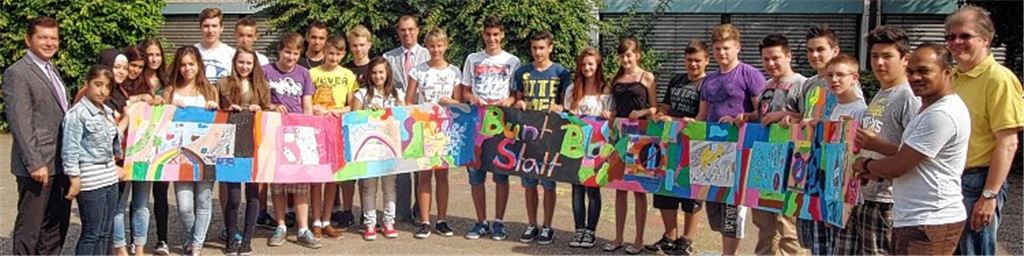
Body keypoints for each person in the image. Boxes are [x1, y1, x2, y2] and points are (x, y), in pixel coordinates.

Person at [853, 43, 970, 255]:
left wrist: (865, 164)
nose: (915, 77)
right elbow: (914, 162)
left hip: (930, 220)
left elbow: (898, 166)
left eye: (924, 71)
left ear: (947, 72)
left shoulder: (941, 114)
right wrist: (874, 173)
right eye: (911, 72)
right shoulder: (928, 109)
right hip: (912, 218)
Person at [945, 5, 1024, 255]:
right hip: (950, 180)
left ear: (985, 39)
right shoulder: (952, 77)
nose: (956, 42)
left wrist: (989, 195)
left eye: (965, 36)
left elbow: (1008, 142)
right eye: (950, 37)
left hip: (977, 181)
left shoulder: (998, 79)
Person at [837, 25, 919, 256]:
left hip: (888, 200)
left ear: (905, 59)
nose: (880, 63)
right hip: (864, 193)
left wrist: (877, 145)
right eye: (875, 56)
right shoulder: (882, 94)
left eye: (887, 56)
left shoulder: (909, 96)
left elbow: (916, 155)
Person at [3, 16, 73, 255]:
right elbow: (20, 121)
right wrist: (35, 163)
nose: (49, 42)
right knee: (30, 228)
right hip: (38, 165)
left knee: (54, 225)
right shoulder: (19, 73)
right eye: (42, 37)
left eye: (53, 38)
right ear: (28, 39)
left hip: (59, 162)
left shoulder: (51, 70)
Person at [699, 24, 765, 256]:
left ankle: (729, 254)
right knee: (714, 208)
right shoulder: (708, 81)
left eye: (726, 48)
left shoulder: (750, 74)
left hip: (739, 152)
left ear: (737, 47)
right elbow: (702, 115)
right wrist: (686, 127)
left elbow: (763, 113)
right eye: (717, 49)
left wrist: (744, 118)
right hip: (711, 151)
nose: (722, 53)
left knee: (732, 207)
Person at [646, 39, 710, 255]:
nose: (693, 64)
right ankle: (669, 237)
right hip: (670, 142)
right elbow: (666, 106)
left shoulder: (708, 84)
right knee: (665, 190)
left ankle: (686, 240)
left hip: (695, 144)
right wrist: (661, 114)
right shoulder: (676, 80)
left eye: (697, 60)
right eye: (689, 60)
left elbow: (706, 115)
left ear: (706, 61)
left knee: (691, 194)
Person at [744, 34, 806, 256]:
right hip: (763, 161)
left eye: (775, 58)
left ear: (788, 56)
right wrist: (744, 117)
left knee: (787, 226)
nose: (770, 64)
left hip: (791, 165)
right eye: (766, 59)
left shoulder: (802, 84)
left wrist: (786, 115)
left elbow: (810, 119)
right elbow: (762, 116)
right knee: (763, 225)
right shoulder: (766, 86)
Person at [460, 15, 520, 241]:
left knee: (501, 175)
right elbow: (464, 91)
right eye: (488, 34)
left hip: (501, 124)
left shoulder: (512, 61)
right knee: (476, 174)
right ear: (483, 35)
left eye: (496, 34)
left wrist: (510, 101)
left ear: (502, 35)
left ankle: (499, 222)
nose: (492, 38)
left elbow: (516, 94)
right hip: (477, 122)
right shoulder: (472, 59)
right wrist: (471, 97)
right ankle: (480, 221)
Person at [510, 31, 571, 245]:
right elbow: (517, 99)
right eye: (534, 48)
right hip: (528, 135)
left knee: (548, 183)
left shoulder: (561, 72)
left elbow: (567, 102)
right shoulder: (523, 72)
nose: (538, 52)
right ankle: (531, 223)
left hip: (550, 136)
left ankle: (547, 225)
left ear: (550, 48)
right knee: (529, 183)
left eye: (542, 48)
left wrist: (561, 107)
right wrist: (518, 104)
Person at [263, 32, 321, 249]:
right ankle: (280, 225)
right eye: (287, 52)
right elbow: (259, 101)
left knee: (300, 184)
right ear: (280, 50)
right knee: (277, 183)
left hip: (298, 133)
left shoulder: (304, 74)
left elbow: (307, 105)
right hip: (274, 132)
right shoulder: (266, 71)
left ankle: (304, 228)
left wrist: (309, 133)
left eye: (296, 53)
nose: (291, 57)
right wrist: (271, 106)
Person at [161, 45, 220, 256]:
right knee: (184, 204)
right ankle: (192, 237)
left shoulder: (210, 90)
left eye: (191, 64)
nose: (187, 69)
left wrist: (214, 107)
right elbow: (159, 121)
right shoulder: (170, 90)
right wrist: (168, 106)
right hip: (178, 155)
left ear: (199, 66)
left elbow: (219, 124)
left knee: (204, 200)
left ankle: (196, 245)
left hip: (205, 153)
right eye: (183, 64)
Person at [603, 37, 657, 255]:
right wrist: (609, 113)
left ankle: (638, 239)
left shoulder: (647, 77)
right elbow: (608, 103)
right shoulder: (615, 79)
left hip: (641, 137)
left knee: (639, 190)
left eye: (629, 55)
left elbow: (655, 108)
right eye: (622, 55)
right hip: (619, 137)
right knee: (619, 190)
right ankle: (617, 237)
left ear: (637, 55)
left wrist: (642, 112)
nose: (626, 59)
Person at [218, 46, 273, 255]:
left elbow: (268, 113)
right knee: (233, 196)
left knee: (253, 194)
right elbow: (214, 111)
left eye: (249, 63)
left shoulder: (262, 86)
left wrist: (260, 109)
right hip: (230, 144)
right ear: (235, 62)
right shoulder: (223, 83)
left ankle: (247, 240)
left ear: (254, 65)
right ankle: (231, 237)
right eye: (241, 62)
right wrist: (226, 109)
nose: (244, 66)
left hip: (254, 143)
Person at [407, 28, 461, 239]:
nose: (435, 50)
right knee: (424, 176)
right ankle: (424, 220)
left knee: (442, 176)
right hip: (423, 128)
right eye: (431, 46)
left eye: (439, 46)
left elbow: (460, 103)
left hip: (446, 130)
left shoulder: (454, 72)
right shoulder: (418, 70)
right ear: (426, 46)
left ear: (446, 46)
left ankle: (442, 219)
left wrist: (450, 102)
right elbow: (409, 101)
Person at [62, 65, 121, 256]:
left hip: (110, 177)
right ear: (87, 84)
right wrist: (74, 179)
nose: (102, 90)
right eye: (98, 84)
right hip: (90, 179)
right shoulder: (77, 114)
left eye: (107, 86)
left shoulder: (107, 111)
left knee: (105, 231)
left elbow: (111, 143)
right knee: (92, 232)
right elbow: (70, 149)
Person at [353, 57, 407, 241]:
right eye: (374, 72)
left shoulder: (397, 94)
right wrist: (367, 114)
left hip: (390, 149)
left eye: (381, 72)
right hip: (369, 149)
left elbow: (405, 118)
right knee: (369, 187)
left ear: (387, 73)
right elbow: (353, 120)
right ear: (369, 74)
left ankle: (389, 222)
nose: (377, 76)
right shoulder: (361, 94)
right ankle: (369, 223)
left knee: (389, 187)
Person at [382, 14, 430, 224]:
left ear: (417, 30)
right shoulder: (388, 57)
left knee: (421, 166)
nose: (407, 33)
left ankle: (421, 211)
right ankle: (401, 212)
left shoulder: (430, 53)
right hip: (398, 118)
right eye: (403, 30)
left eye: (410, 29)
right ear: (398, 32)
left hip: (424, 117)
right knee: (401, 167)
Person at [563, 47, 612, 249]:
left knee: (593, 190)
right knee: (576, 190)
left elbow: (611, 118)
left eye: (590, 64)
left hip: (597, 148)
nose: (586, 68)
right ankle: (579, 230)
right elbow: (565, 118)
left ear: (597, 65)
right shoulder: (572, 89)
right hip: (576, 147)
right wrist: (570, 113)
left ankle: (591, 231)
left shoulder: (605, 89)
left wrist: (610, 115)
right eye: (583, 64)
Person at [309, 35, 356, 240]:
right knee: (316, 178)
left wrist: (334, 111)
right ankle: (316, 220)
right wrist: (315, 109)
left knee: (332, 177)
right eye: (330, 53)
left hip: (336, 129)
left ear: (343, 54)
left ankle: (327, 220)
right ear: (324, 52)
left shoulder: (348, 75)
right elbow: (306, 102)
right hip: (315, 130)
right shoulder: (312, 73)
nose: (333, 57)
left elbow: (352, 106)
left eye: (338, 54)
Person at [111, 46, 153, 256]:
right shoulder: (115, 87)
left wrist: (153, 100)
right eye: (132, 66)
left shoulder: (146, 85)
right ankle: (120, 247)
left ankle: (139, 247)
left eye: (139, 67)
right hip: (120, 154)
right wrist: (136, 99)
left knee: (142, 203)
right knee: (119, 205)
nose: (135, 70)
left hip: (143, 152)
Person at [137, 38, 173, 255]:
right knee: (139, 196)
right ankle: (137, 240)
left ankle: (162, 239)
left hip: (162, 144)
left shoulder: (167, 82)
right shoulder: (137, 79)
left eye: (157, 54)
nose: (153, 59)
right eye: (149, 54)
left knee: (161, 194)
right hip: (139, 144)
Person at [194, 7, 236, 84]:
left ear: (221, 28)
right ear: (200, 28)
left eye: (214, 26)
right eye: (206, 26)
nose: (210, 31)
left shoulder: (231, 54)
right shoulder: (192, 52)